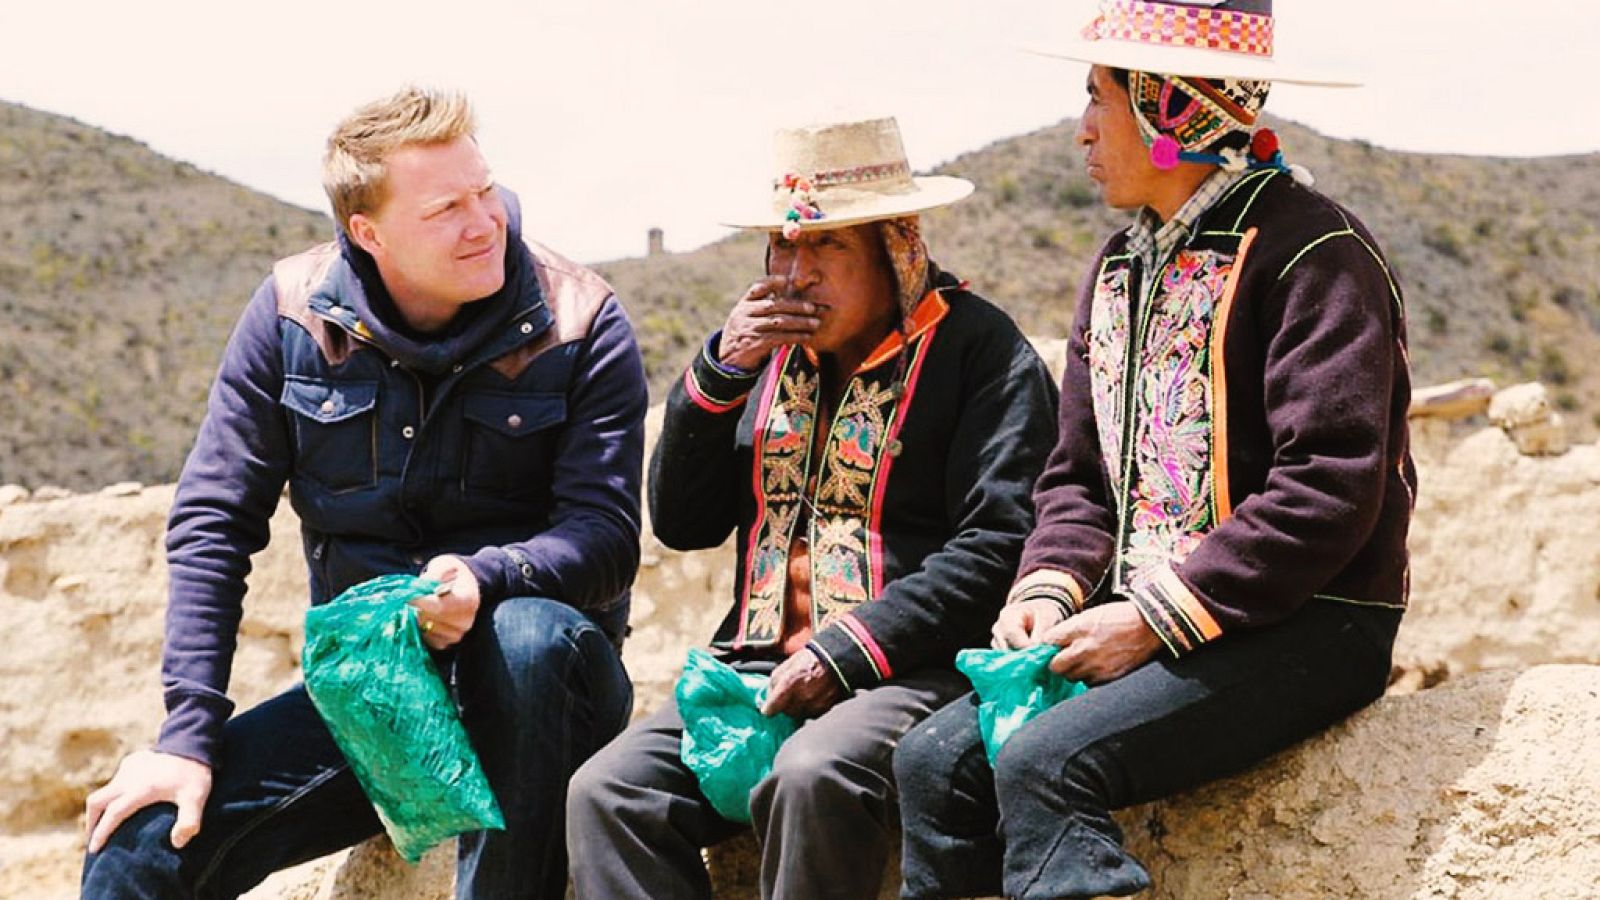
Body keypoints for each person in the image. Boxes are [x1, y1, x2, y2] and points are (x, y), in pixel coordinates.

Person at [894, 2, 1417, 897]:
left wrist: (1152, 617)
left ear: (1171, 109)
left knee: (1046, 762)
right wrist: (1047, 588)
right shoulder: (1119, 268)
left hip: (1311, 621)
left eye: (1099, 98)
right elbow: (1078, 476)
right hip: (1160, 619)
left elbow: (1330, 484)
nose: (1080, 131)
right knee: (931, 762)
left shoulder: (1314, 254)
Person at [80, 87, 647, 900]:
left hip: (550, 689)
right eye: (446, 207)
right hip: (377, 695)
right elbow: (214, 523)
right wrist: (186, 737)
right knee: (138, 842)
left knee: (522, 639)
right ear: (367, 232)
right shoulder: (288, 316)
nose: (484, 222)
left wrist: (486, 578)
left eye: (484, 190)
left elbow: (605, 534)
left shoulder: (580, 317)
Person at [565, 116, 1058, 900]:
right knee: (610, 792)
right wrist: (717, 376)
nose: (795, 274)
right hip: (757, 666)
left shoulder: (983, 354)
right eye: (782, 247)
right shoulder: (764, 360)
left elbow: (1003, 539)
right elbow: (682, 524)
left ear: (896, 247)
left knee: (811, 771)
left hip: (913, 672)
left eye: (826, 246)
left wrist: (847, 651)